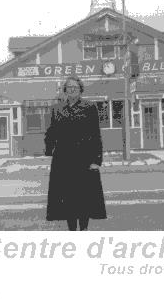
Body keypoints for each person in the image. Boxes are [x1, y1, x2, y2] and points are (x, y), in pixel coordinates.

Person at [44, 75, 107, 230]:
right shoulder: (57, 109)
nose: (72, 90)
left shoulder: (89, 107)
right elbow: (51, 132)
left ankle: (84, 228)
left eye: (75, 87)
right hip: (63, 159)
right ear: (65, 90)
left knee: (83, 196)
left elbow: (95, 135)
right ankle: (72, 229)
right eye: (69, 87)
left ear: (80, 90)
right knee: (68, 197)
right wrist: (48, 150)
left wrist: (96, 160)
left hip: (84, 158)